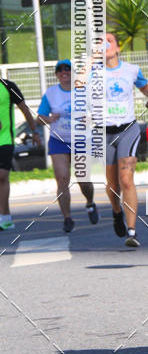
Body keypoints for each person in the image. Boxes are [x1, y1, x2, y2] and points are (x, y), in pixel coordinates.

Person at [102, 33, 148, 247]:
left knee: (126, 180)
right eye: (101, 41)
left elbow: (146, 88)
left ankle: (132, 231)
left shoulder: (131, 70)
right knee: (111, 185)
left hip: (127, 129)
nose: (105, 44)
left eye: (109, 40)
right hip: (103, 132)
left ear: (118, 48)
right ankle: (116, 211)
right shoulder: (92, 72)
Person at [36, 59, 97, 233]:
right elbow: (39, 118)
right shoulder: (51, 93)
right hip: (58, 141)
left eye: (68, 70)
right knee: (62, 179)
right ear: (56, 75)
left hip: (81, 140)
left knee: (83, 180)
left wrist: (91, 119)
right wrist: (48, 119)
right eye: (60, 71)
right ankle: (67, 218)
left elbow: (99, 113)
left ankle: (90, 203)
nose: (64, 73)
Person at [0, 77, 41, 230]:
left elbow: (24, 109)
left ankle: (4, 218)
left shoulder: (8, 86)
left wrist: (35, 132)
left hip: (5, 139)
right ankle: (5, 216)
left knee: (2, 176)